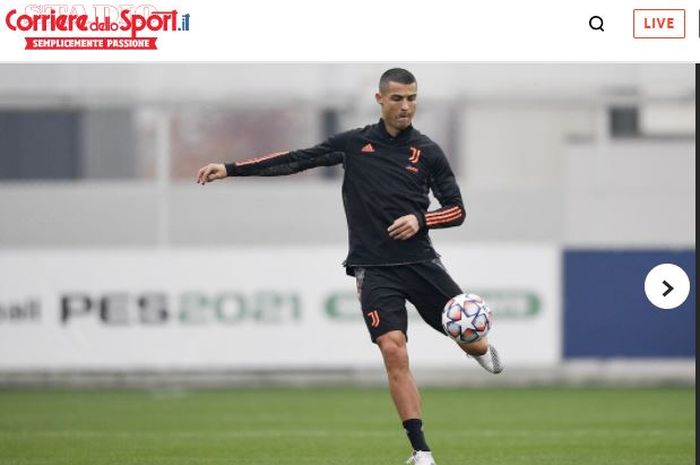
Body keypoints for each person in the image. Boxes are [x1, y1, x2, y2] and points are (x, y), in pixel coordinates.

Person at [196, 68, 503, 465]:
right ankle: (421, 451)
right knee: (394, 351)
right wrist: (232, 168)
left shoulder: (427, 152)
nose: (406, 106)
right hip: (373, 269)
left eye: (412, 98)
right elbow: (296, 160)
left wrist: (421, 219)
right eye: (397, 98)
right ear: (380, 100)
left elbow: (457, 211)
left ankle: (477, 348)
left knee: (471, 338)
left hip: (422, 264)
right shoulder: (356, 144)